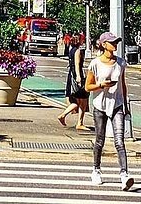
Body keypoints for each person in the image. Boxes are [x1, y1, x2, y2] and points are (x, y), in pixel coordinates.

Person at [85, 31, 134, 191]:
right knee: (100, 140)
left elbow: (123, 84)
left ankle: (124, 175)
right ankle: (96, 169)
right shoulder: (95, 64)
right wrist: (101, 85)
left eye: (116, 42)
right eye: (112, 42)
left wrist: (126, 105)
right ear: (104, 44)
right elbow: (87, 87)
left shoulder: (121, 63)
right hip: (100, 105)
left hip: (117, 105)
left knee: (119, 141)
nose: (115, 45)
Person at [57, 34, 88, 129]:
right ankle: (78, 122)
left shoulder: (71, 50)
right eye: (82, 40)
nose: (83, 41)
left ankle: (77, 121)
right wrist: (79, 76)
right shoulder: (78, 51)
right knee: (82, 100)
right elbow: (77, 64)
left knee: (77, 100)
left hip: (71, 75)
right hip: (76, 76)